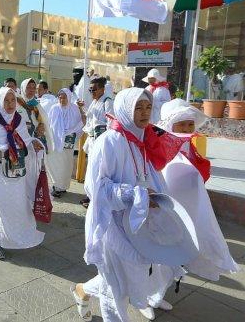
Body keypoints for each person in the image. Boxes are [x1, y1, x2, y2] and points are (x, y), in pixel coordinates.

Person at [72, 87, 182, 322]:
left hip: (136, 223)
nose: (144, 113)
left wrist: (155, 199)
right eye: (138, 108)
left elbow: (150, 178)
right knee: (116, 289)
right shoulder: (108, 142)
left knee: (125, 277)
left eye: (148, 107)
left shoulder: (143, 142)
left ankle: (82, 290)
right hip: (110, 222)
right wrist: (135, 195)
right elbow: (96, 188)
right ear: (124, 109)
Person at [157, 99, 239, 281]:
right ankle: (152, 294)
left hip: (188, 207)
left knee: (180, 248)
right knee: (163, 248)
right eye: (182, 124)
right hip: (168, 208)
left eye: (190, 124)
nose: (187, 129)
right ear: (170, 124)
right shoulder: (163, 146)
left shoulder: (188, 145)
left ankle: (160, 290)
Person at [0, 87, 45, 260]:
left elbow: (24, 140)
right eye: (6, 101)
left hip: (16, 174)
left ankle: (16, 237)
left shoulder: (19, 120)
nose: (10, 104)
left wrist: (33, 144)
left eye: (13, 100)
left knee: (16, 206)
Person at [17, 78, 54, 202]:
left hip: (34, 147)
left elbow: (44, 122)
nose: (32, 90)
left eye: (34, 87)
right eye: (28, 87)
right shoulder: (16, 104)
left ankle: (32, 202)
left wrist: (41, 126)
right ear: (23, 88)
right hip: (20, 146)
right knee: (21, 176)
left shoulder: (36, 105)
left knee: (33, 174)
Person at [47, 88, 84, 197]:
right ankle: (56, 186)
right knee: (55, 165)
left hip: (68, 143)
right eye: (60, 97)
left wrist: (71, 133)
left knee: (66, 166)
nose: (62, 100)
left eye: (64, 97)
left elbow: (81, 123)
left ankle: (63, 186)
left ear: (69, 97)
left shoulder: (74, 109)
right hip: (56, 141)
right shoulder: (54, 108)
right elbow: (49, 124)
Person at [82, 77, 114, 155]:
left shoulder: (107, 102)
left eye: (94, 89)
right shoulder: (94, 103)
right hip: (92, 142)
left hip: (102, 143)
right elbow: (88, 121)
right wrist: (80, 108)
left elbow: (111, 124)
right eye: (90, 90)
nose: (92, 92)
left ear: (102, 89)